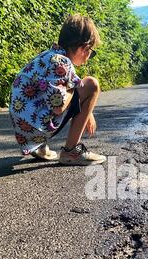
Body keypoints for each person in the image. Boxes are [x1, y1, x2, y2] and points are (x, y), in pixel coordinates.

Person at [9, 14, 106, 166]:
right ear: (83, 48)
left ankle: (39, 148)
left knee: (76, 87)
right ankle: (71, 152)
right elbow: (58, 106)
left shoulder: (50, 56)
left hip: (23, 128)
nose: (89, 57)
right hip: (35, 127)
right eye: (91, 52)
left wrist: (88, 112)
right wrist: (78, 86)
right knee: (92, 84)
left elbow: (56, 90)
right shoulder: (62, 62)